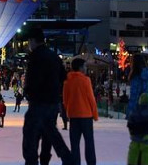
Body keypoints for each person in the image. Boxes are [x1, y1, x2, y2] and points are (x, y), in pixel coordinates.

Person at [22, 27, 71, 165]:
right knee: (49, 132)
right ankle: (63, 157)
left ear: (32, 40)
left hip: (38, 101)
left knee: (31, 134)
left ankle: (31, 161)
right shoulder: (53, 56)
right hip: (53, 102)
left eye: (29, 42)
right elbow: (63, 76)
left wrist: (29, 91)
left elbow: (33, 80)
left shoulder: (35, 57)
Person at [63, 57, 98, 165]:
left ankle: (75, 163)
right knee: (89, 143)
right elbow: (91, 98)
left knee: (74, 144)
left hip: (73, 116)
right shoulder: (86, 80)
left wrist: (68, 111)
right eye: (85, 66)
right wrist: (95, 114)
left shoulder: (67, 80)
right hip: (86, 115)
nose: (86, 68)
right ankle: (91, 163)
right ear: (80, 68)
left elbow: (65, 98)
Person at [126, 93, 148, 165]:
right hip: (146, 138)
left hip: (135, 137)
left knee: (133, 152)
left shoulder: (135, 110)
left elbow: (130, 122)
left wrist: (131, 131)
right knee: (146, 153)